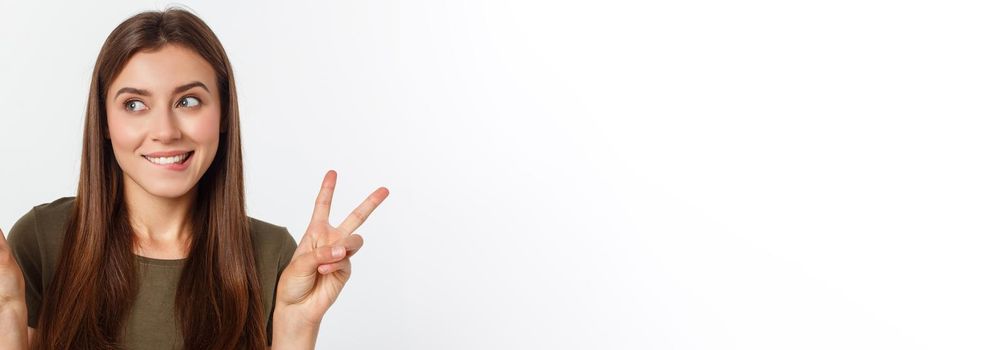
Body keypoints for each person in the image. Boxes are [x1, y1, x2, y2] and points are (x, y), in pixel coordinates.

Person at [0, 7, 389, 350]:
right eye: (134, 104)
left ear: (222, 114)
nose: (165, 131)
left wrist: (297, 330)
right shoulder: (41, 240)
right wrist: (8, 321)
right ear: (104, 121)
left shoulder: (273, 257)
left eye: (188, 101)